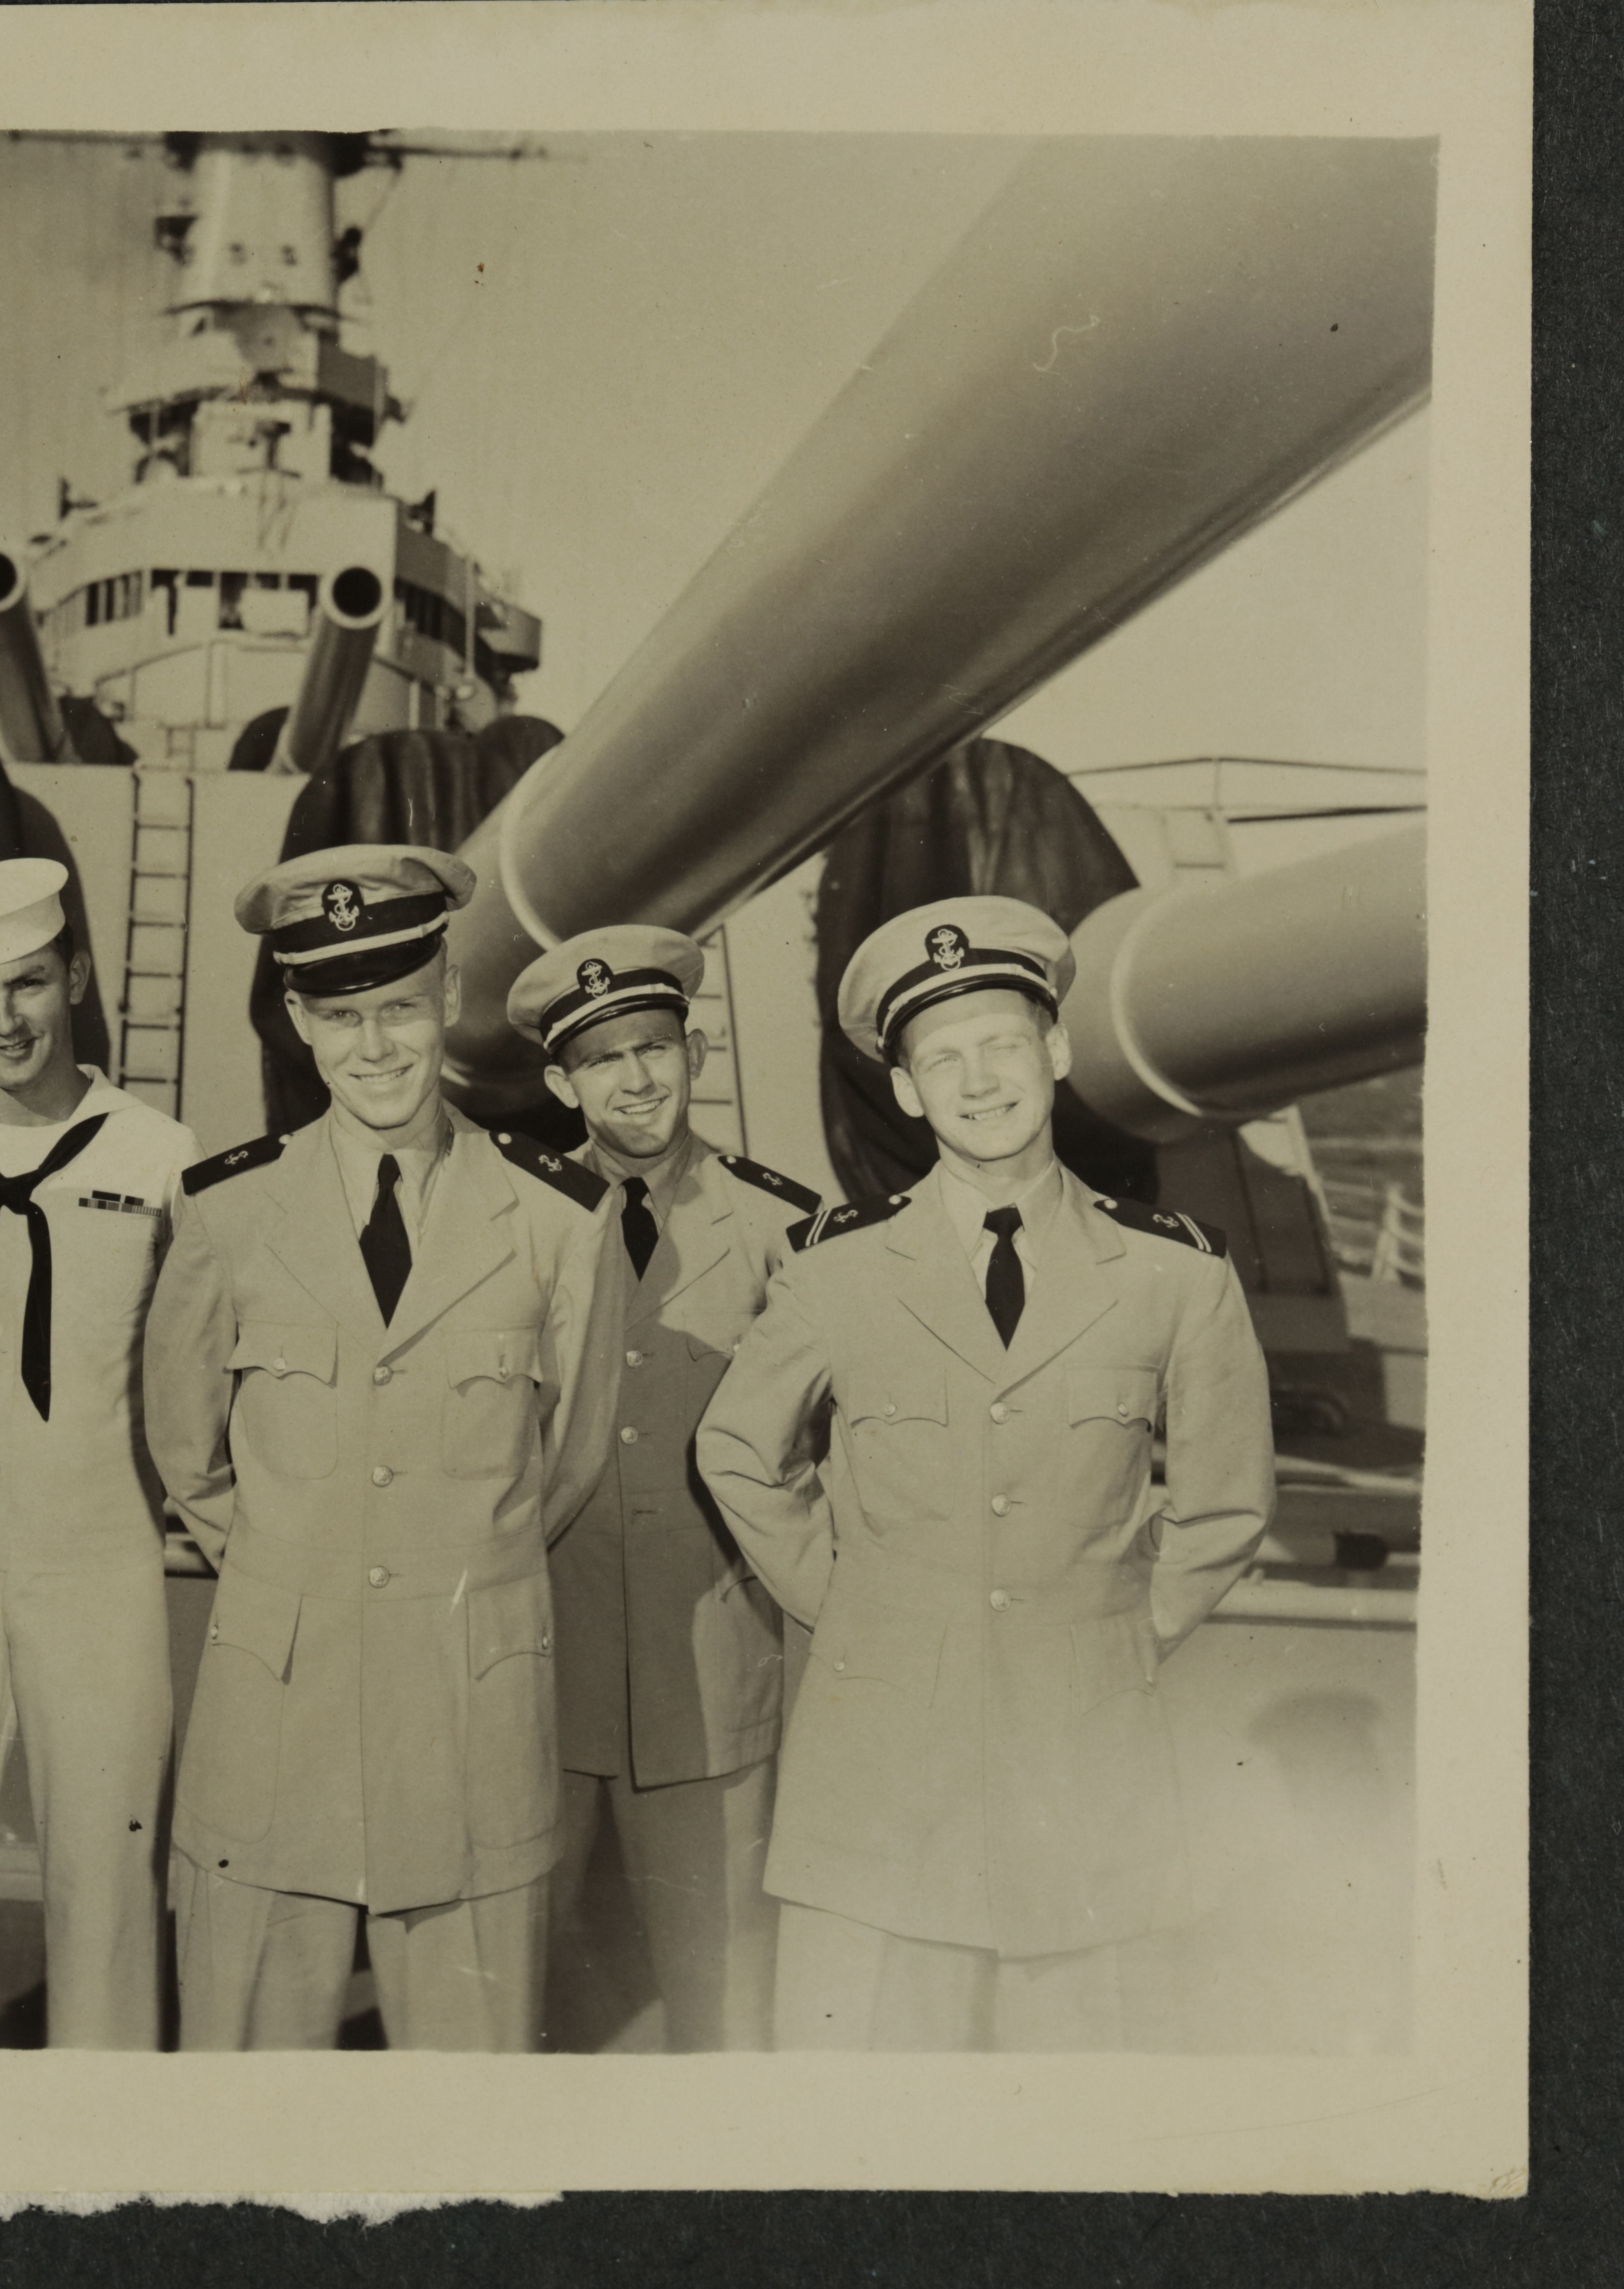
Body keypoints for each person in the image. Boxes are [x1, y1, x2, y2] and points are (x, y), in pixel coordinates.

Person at [694, 895, 1275, 2052]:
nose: (979, 1081)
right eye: (940, 1059)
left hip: (1086, 1771)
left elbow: (1224, 1506)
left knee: (1079, 2138)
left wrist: (1115, 1634)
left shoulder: (1177, 1278)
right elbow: (738, 1451)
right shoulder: (835, 1271)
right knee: (861, 2135)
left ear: (1056, 1052)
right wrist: (856, 1612)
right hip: (878, 1775)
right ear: (906, 1090)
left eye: (1004, 1044)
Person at [142, 845, 629, 2052]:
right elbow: (186, 1450)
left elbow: (561, 1467)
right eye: (343, 1015)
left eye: (401, 1010)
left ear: (448, 996)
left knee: (467, 2140)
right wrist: (296, 1565)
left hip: (469, 1723)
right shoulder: (225, 1211)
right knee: (247, 2128)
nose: (376, 1047)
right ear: (300, 1019)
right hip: (275, 1719)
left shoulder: (563, 1221)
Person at [0, 859, 199, 2050]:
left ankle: (96, 2144)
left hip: (102, 1562)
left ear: (76, 977)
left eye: (26, 985)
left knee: (106, 1874)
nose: (4, 1021)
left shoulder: (164, 1158)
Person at [502, 926, 822, 2053]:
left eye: (656, 1048)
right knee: (507, 1992)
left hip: (713, 1667)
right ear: (560, 1080)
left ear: (695, 1052)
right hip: (539, 1657)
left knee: (724, 1987)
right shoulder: (510, 1216)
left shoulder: (789, 1227)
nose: (636, 1079)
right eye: (602, 1059)